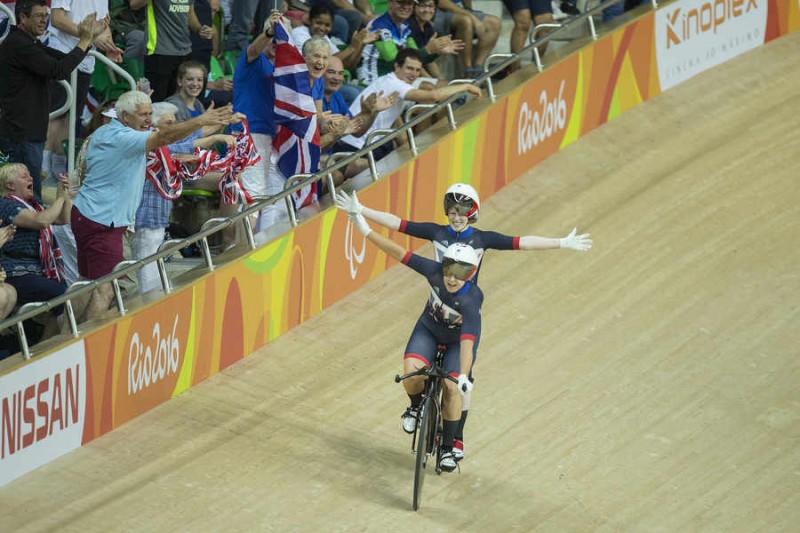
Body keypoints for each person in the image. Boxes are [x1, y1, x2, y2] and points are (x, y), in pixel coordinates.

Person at [336, 183, 592, 461]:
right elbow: (398, 228)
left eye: (463, 211)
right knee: (413, 372)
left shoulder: (480, 247)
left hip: (463, 310)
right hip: (437, 301)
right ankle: (415, 406)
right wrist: (361, 212)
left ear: (473, 213)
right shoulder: (436, 247)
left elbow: (522, 242)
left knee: (458, 385)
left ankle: (454, 440)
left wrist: (560, 242)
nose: (457, 216)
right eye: (452, 211)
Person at [336, 196, 484, 473]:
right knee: (411, 372)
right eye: (449, 269)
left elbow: (467, 342)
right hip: (428, 329)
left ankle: (450, 445)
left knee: (452, 388)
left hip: (456, 343)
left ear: (471, 274)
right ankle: (416, 406)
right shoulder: (434, 273)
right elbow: (398, 252)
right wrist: (364, 228)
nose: (452, 278)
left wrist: (463, 375)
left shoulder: (471, 302)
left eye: (460, 273)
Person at [71, 90, 236, 322]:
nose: (148, 119)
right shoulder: (123, 138)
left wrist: (208, 125)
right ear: (125, 116)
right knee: (107, 289)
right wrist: (201, 120)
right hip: (103, 221)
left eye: (150, 113)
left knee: (87, 282)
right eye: (143, 114)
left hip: (88, 215)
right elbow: (165, 138)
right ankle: (84, 345)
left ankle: (65, 334)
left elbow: (177, 139)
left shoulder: (113, 131)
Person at [0, 0, 103, 199]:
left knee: (30, 196)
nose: (44, 21)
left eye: (46, 16)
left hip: (26, 132)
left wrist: (88, 40)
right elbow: (59, 70)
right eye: (39, 16)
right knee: (27, 197)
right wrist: (83, 41)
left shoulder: (28, 42)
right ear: (22, 17)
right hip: (20, 135)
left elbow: (61, 59)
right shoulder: (19, 44)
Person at [132, 101, 236, 294]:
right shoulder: (149, 145)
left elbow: (188, 139)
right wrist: (213, 137)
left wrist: (217, 123)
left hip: (156, 222)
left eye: (174, 122)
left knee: (153, 278)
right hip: (145, 222)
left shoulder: (160, 144)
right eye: (169, 123)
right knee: (148, 281)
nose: (174, 127)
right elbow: (187, 143)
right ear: (155, 125)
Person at [340, 48, 481, 160]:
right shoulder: (396, 84)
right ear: (397, 66)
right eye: (409, 68)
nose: (414, 74)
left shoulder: (389, 81)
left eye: (417, 70)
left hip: (365, 143)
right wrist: (465, 86)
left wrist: (411, 149)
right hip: (356, 147)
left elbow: (395, 121)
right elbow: (433, 96)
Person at [0, 162, 80, 339]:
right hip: (17, 273)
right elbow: (41, 221)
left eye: (30, 174)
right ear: (10, 185)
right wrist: (59, 199)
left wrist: (63, 195)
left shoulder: (33, 204)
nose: (31, 178)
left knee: (65, 298)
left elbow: (62, 218)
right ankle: (50, 347)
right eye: (24, 176)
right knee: (64, 296)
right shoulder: (6, 205)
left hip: (37, 271)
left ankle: (44, 346)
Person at [132, 0, 213, 102]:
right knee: (157, 102)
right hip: (159, 50)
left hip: (185, 50)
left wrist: (200, 29)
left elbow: (189, 14)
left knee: (181, 101)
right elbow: (134, 4)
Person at [435, 0, 500, 77]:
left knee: (494, 23)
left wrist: (468, 9)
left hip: (459, 9)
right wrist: (472, 16)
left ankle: (478, 68)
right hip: (435, 11)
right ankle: (467, 69)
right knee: (466, 20)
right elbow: (442, 3)